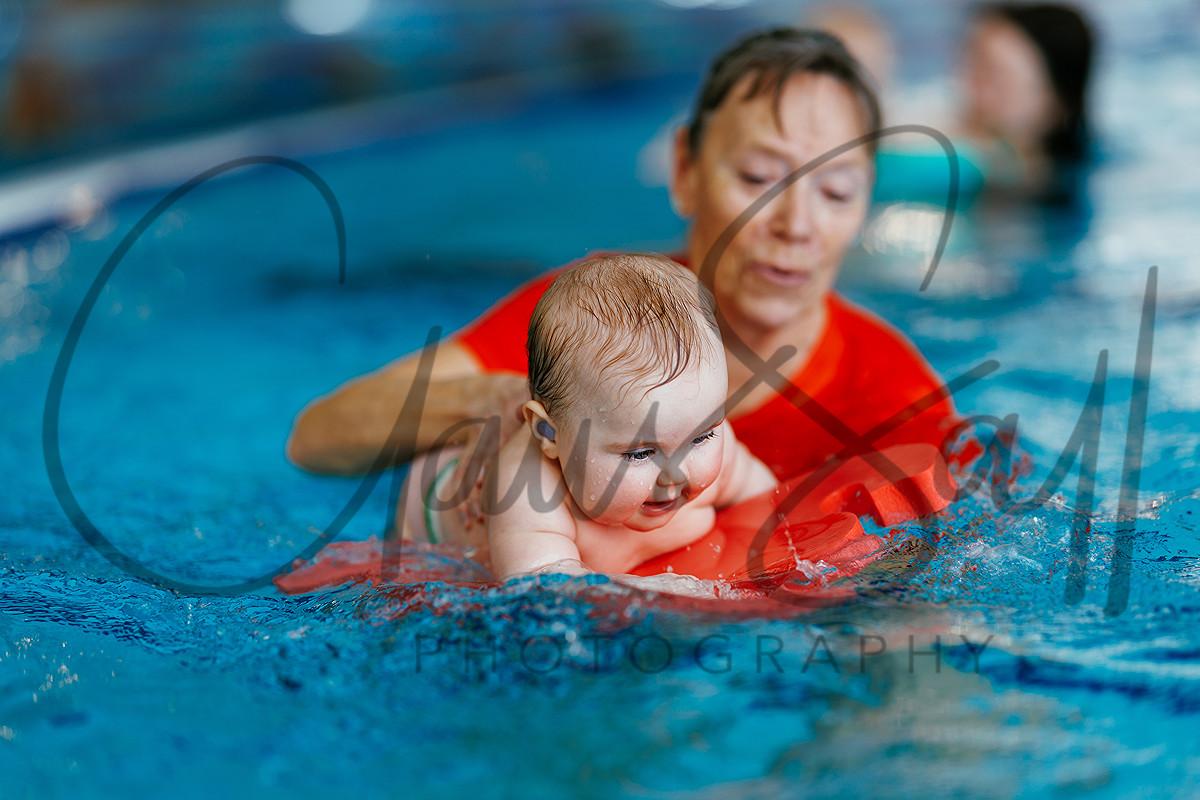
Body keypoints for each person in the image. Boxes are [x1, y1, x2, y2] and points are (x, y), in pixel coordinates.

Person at [287, 28, 959, 531]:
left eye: (836, 192)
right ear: (685, 170)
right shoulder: (593, 318)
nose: (797, 224)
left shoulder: (891, 399)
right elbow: (316, 436)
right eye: (758, 177)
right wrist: (507, 400)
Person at [399, 254, 777, 580]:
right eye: (640, 453)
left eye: (702, 437)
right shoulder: (530, 491)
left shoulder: (700, 438)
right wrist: (659, 593)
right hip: (428, 506)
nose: (676, 474)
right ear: (547, 433)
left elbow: (764, 497)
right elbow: (542, 592)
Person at [960, 2, 1094, 199]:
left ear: (1055, 109)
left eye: (998, 80)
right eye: (973, 67)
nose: (971, 91)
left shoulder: (1040, 187)